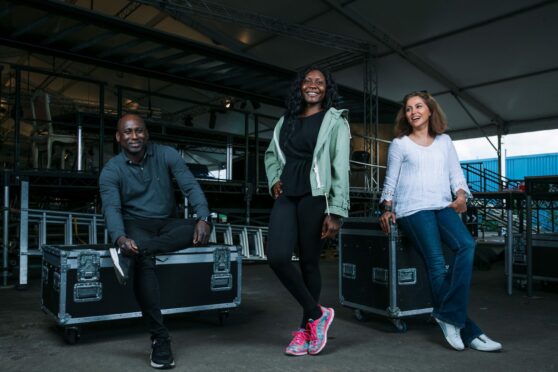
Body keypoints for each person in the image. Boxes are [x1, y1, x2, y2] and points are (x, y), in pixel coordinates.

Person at [378, 91, 502, 352]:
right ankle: (470, 331)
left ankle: (447, 316)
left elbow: (456, 175)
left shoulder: (445, 141)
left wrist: (460, 196)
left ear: (430, 110)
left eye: (419, 106)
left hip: (442, 204)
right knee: (437, 264)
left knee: (466, 245)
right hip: (412, 209)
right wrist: (387, 208)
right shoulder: (400, 144)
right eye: (409, 108)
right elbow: (391, 181)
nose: (413, 112)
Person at [99, 114, 212, 369]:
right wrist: (120, 237)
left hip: (166, 223)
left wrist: (203, 216)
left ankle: (130, 253)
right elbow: (111, 209)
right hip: (135, 224)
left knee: (202, 227)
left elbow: (190, 186)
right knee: (145, 262)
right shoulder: (111, 170)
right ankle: (160, 339)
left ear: (147, 134)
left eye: (139, 131)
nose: (134, 136)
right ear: (118, 137)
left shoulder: (166, 154)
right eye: (127, 132)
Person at [264, 65, 351, 356]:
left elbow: (340, 167)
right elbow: (271, 155)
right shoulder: (285, 120)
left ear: (327, 88)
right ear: (300, 86)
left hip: (316, 195)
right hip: (288, 193)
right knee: (276, 255)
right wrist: (275, 178)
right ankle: (318, 314)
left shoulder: (334, 120)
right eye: (307, 80)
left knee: (309, 263)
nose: (313, 85)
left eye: (320, 82)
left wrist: (336, 210)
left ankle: (305, 331)